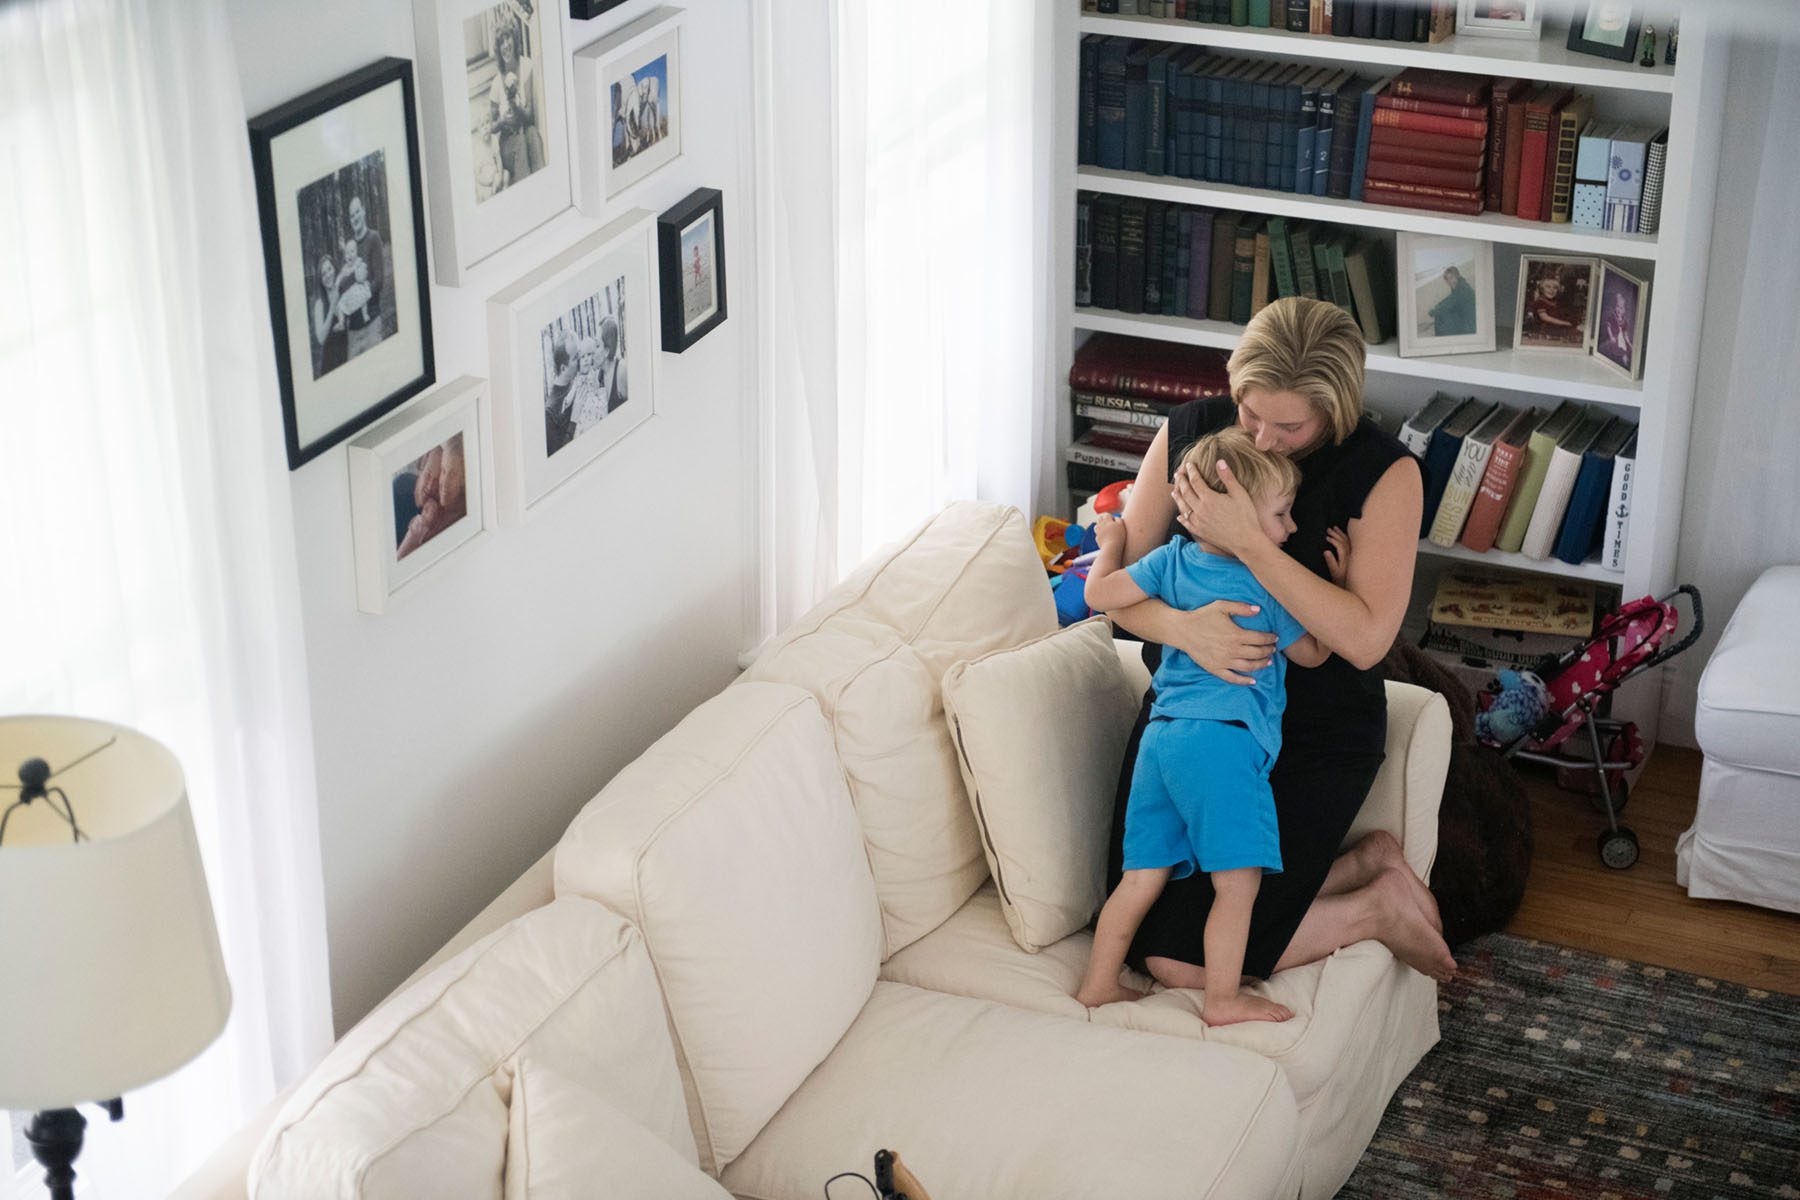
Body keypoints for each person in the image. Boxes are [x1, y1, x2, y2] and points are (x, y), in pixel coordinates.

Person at [1100, 296, 1456, 1003]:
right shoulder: (1192, 432)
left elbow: (1363, 641)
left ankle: (1373, 906)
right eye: (1248, 412)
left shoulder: (1384, 473)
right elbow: (1119, 600)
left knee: (1177, 962)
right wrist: (1184, 629)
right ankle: (1361, 868)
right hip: (1190, 719)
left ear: (1335, 407)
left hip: (1312, 734)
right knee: (1141, 916)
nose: (1260, 440)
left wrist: (1250, 543)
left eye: (1288, 425)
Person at [1077, 428, 1339, 1025]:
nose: (1291, 527)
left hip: (1162, 738)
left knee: (1140, 879)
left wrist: (1114, 539)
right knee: (1237, 886)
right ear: (1232, 517)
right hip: (1223, 744)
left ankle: (1097, 985)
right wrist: (1336, 584)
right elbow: (1315, 653)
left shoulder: (1169, 560)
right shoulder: (1267, 582)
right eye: (1280, 513)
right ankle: (1221, 999)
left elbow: (1099, 592)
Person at [490, 23, 543, 184]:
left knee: (533, 132)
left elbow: (529, 116)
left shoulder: (527, 66)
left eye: (508, 38)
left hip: (524, 130)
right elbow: (492, 126)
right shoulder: (496, 82)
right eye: (501, 43)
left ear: (515, 38)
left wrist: (515, 105)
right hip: (507, 142)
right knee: (519, 141)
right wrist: (503, 121)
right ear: (498, 50)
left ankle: (543, 183)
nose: (505, 45)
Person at [343, 194, 387, 358]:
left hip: (371, 324)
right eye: (351, 215)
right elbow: (344, 285)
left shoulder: (373, 238)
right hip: (353, 331)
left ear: (364, 211)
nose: (355, 217)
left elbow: (379, 282)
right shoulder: (350, 248)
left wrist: (357, 296)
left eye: (357, 212)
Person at [310, 252, 348, 377]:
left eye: (329, 269)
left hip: (349, 353)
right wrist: (332, 306)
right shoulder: (319, 304)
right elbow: (321, 338)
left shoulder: (343, 291)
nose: (328, 275)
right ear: (320, 280)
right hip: (331, 364)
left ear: (334, 269)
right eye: (323, 274)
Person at [1523, 270, 1580, 345]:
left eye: (1555, 288)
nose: (1551, 290)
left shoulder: (1556, 301)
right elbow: (1545, 318)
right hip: (1545, 326)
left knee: (1574, 328)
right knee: (1567, 330)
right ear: (1542, 289)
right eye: (1548, 287)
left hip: (1555, 325)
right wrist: (1565, 323)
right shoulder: (1540, 301)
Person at [1427, 265, 1476, 337]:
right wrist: (1440, 304)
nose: (1449, 281)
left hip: (1469, 323)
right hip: (1464, 314)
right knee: (1442, 312)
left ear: (1457, 276)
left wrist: (1434, 311)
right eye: (1447, 279)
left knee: (1440, 315)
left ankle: (1439, 338)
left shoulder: (1462, 288)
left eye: (1451, 277)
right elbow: (1451, 298)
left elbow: (1451, 301)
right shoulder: (1459, 284)